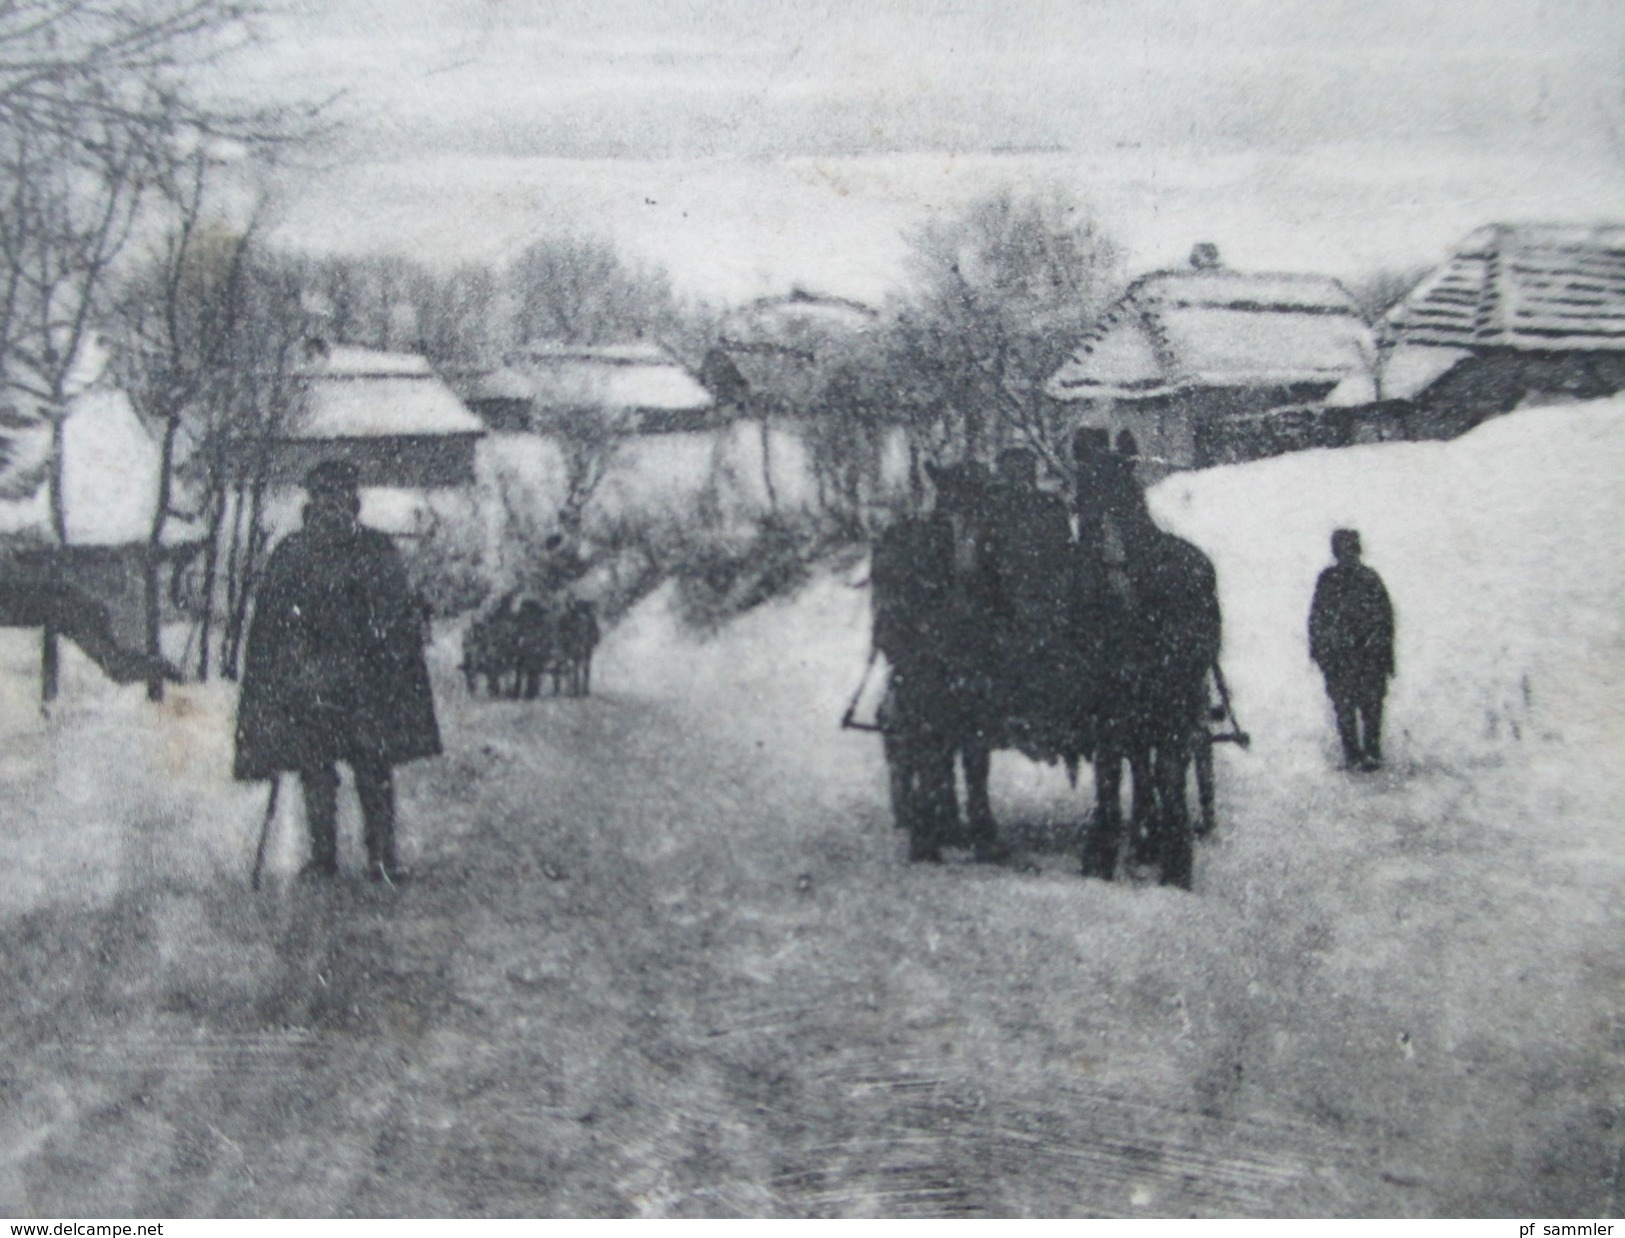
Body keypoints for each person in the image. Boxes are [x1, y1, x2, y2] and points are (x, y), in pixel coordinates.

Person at [234, 460, 442, 883]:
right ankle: (323, 858)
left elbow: (397, 615)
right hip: (313, 685)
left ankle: (381, 857)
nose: (333, 509)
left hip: (364, 684)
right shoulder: (292, 553)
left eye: (340, 500)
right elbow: (270, 623)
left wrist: (384, 648)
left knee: (373, 770)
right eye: (325, 499)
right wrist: (287, 664)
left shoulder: (375, 551)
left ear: (353, 504)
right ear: (313, 503)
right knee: (316, 772)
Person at [1082, 477, 1220, 889]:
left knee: (1117, 779)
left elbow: (1089, 634)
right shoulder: (1184, 561)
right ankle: (1172, 868)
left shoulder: (1118, 569)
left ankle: (1106, 863)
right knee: (1169, 780)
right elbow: (1204, 640)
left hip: (1137, 691)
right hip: (1164, 692)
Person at [1309, 528, 1395, 771]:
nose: (1347, 555)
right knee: (1360, 706)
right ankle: (1363, 752)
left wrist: (1321, 650)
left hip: (1355, 657)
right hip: (1355, 657)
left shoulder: (1334, 580)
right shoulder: (1365, 579)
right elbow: (1318, 618)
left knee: (1356, 706)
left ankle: (1362, 753)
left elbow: (1384, 620)